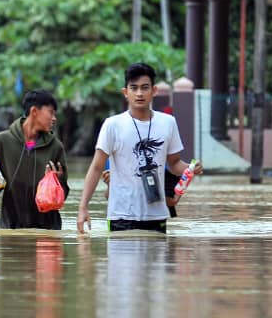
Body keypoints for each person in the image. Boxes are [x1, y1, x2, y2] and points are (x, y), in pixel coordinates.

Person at [77, 62, 202, 234]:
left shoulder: (168, 123)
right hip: (121, 216)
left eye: (145, 88)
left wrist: (191, 168)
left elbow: (174, 164)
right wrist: (83, 207)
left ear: (154, 91)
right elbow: (97, 167)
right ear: (125, 92)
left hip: (157, 216)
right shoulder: (112, 125)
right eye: (134, 88)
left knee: (159, 259)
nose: (139, 93)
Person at [0, 89, 69, 229]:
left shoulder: (56, 147)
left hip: (47, 231)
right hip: (11, 229)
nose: (54, 118)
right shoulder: (1, 142)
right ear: (34, 111)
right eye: (51, 112)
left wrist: (58, 181)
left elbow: (62, 197)